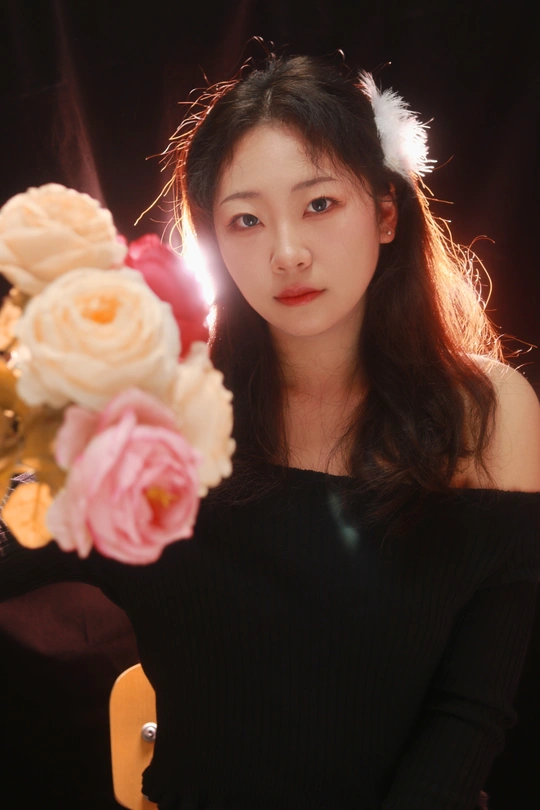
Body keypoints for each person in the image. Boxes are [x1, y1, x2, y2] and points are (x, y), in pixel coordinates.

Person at [1, 52, 540, 810]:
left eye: (319, 204)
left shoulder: (486, 413)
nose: (287, 253)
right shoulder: (165, 417)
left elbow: (471, 711)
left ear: (386, 212)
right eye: (246, 220)